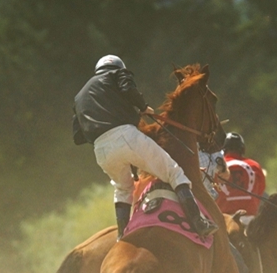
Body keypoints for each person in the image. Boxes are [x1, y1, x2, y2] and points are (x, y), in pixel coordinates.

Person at [72, 55, 216, 239]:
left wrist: (102, 127)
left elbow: (78, 136)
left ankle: (122, 236)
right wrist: (143, 106)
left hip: (100, 149)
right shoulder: (117, 73)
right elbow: (128, 88)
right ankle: (199, 222)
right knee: (174, 172)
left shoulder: (78, 97)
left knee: (123, 190)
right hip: (125, 136)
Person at [215, 132, 266, 225]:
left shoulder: (216, 166)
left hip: (223, 222)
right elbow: (260, 192)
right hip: (249, 221)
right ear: (242, 149)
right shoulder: (255, 166)